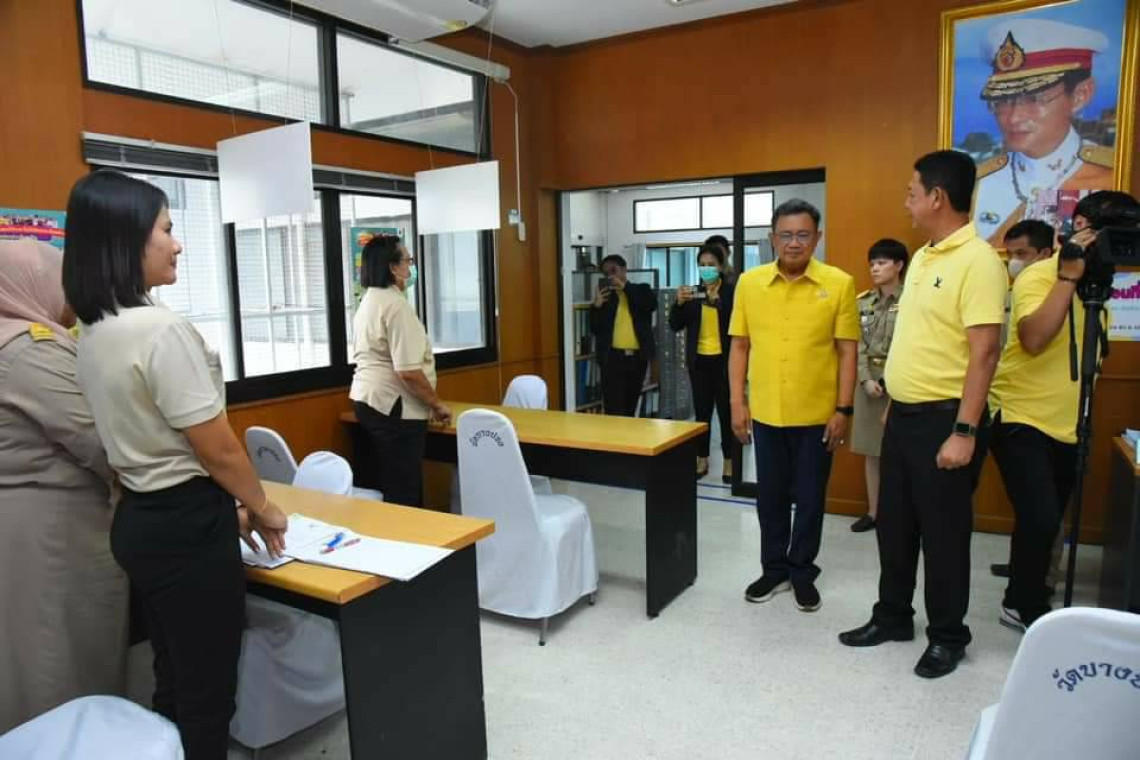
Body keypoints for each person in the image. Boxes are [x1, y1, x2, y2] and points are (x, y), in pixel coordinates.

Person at [62, 170, 288, 759]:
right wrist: (264, 506)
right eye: (166, 230)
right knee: (208, 693)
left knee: (172, 675)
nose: (178, 243)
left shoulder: (92, 330)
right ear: (127, 240)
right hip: (187, 527)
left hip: (140, 519)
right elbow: (217, 449)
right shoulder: (159, 329)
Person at [839, 150, 1007, 679]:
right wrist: (895, 403)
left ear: (937, 197)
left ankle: (948, 637)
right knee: (894, 526)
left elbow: (985, 352)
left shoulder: (978, 261)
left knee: (944, 537)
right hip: (904, 416)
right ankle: (892, 616)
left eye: (912, 193)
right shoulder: (924, 259)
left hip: (946, 422)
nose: (906, 202)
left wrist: (964, 431)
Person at [0, 239, 127, 733]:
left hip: (26, 525)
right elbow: (104, 442)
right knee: (60, 657)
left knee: (29, 653)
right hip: (55, 533)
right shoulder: (29, 351)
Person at [729, 199, 859, 613]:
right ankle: (774, 569)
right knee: (769, 497)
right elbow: (740, 346)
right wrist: (737, 402)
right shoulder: (750, 283)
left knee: (810, 497)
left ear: (817, 238)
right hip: (767, 412)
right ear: (772, 238)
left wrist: (843, 409)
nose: (794, 243)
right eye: (785, 235)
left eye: (803, 234)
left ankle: (802, 570)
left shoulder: (839, 284)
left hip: (818, 416)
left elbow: (847, 351)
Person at [973, 19, 1114, 244]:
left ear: (1081, 95)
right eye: (1003, 100)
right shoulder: (980, 182)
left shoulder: (1109, 176)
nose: (1014, 117)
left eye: (1033, 99)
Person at [350, 235, 451, 507]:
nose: (410, 266)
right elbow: (408, 371)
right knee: (403, 490)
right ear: (393, 268)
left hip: (367, 400)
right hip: (394, 407)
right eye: (408, 260)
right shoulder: (396, 306)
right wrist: (436, 404)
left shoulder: (369, 300)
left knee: (382, 482)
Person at [850, 239, 909, 533]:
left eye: (882, 263)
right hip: (867, 381)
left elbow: (911, 343)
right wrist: (866, 379)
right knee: (871, 451)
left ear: (898, 266)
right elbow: (856, 344)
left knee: (899, 453)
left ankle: (898, 514)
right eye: (872, 263)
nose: (875, 268)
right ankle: (874, 512)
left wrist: (887, 380)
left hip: (901, 379)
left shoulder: (912, 300)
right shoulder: (863, 301)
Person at [670, 243, 737, 481]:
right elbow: (675, 324)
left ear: (721, 266)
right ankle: (702, 458)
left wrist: (717, 302)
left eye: (711, 265)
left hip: (725, 363)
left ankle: (729, 461)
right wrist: (678, 303)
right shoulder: (693, 293)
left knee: (727, 414)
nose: (706, 269)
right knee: (702, 414)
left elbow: (737, 323)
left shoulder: (731, 292)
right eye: (702, 265)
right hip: (699, 362)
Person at [590, 253, 657, 417]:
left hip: (637, 358)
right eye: (606, 273)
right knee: (614, 409)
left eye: (613, 270)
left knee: (630, 406)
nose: (610, 276)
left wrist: (625, 287)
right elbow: (595, 328)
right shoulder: (606, 298)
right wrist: (597, 306)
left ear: (624, 269)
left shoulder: (642, 289)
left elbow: (649, 305)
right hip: (612, 358)